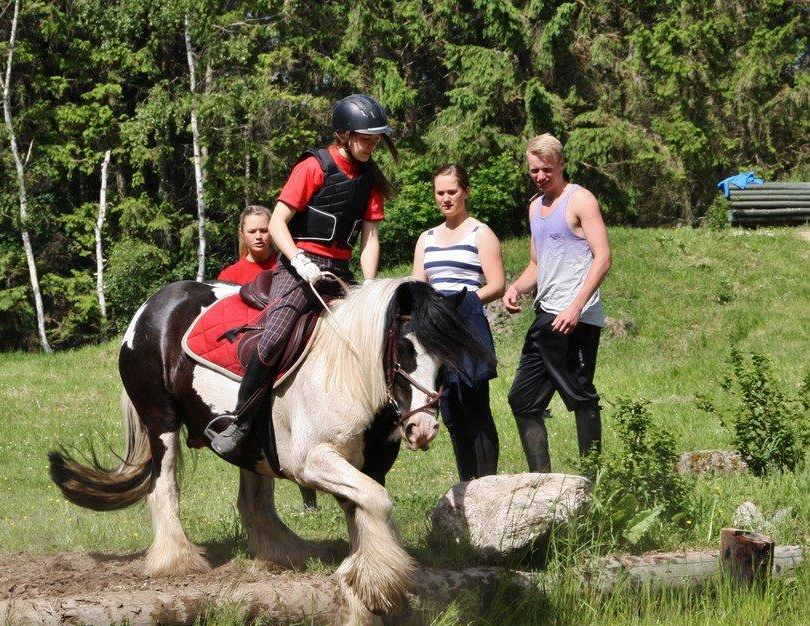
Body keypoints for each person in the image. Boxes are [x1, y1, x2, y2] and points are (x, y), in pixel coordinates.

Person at [209, 94, 397, 455]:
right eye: (366, 138)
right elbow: (278, 221)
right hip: (299, 269)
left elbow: (370, 237)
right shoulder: (313, 167)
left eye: (376, 138)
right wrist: (297, 259)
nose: (373, 145)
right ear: (343, 134)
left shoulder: (370, 179)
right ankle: (241, 422)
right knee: (274, 338)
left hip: (339, 271)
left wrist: (370, 284)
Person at [502, 134, 612, 471]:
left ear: (562, 164)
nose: (540, 176)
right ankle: (543, 480)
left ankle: (591, 480)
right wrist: (516, 288)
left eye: (546, 169)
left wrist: (576, 307)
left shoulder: (581, 200)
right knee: (521, 398)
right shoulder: (535, 207)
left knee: (580, 395)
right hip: (546, 315)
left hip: (575, 318)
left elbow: (603, 257)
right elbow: (537, 264)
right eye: (534, 170)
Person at [411, 164, 504, 480]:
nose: (446, 198)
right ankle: (467, 483)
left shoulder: (481, 233)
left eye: (452, 192)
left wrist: (461, 304)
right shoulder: (426, 238)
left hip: (466, 330)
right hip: (434, 335)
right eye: (440, 192)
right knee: (450, 411)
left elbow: (496, 284)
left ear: (465, 192)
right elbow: (417, 285)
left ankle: (487, 485)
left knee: (475, 408)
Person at [218, 205, 278, 284]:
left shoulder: (286, 267)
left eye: (264, 230)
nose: (258, 236)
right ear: (242, 233)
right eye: (252, 231)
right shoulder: (229, 277)